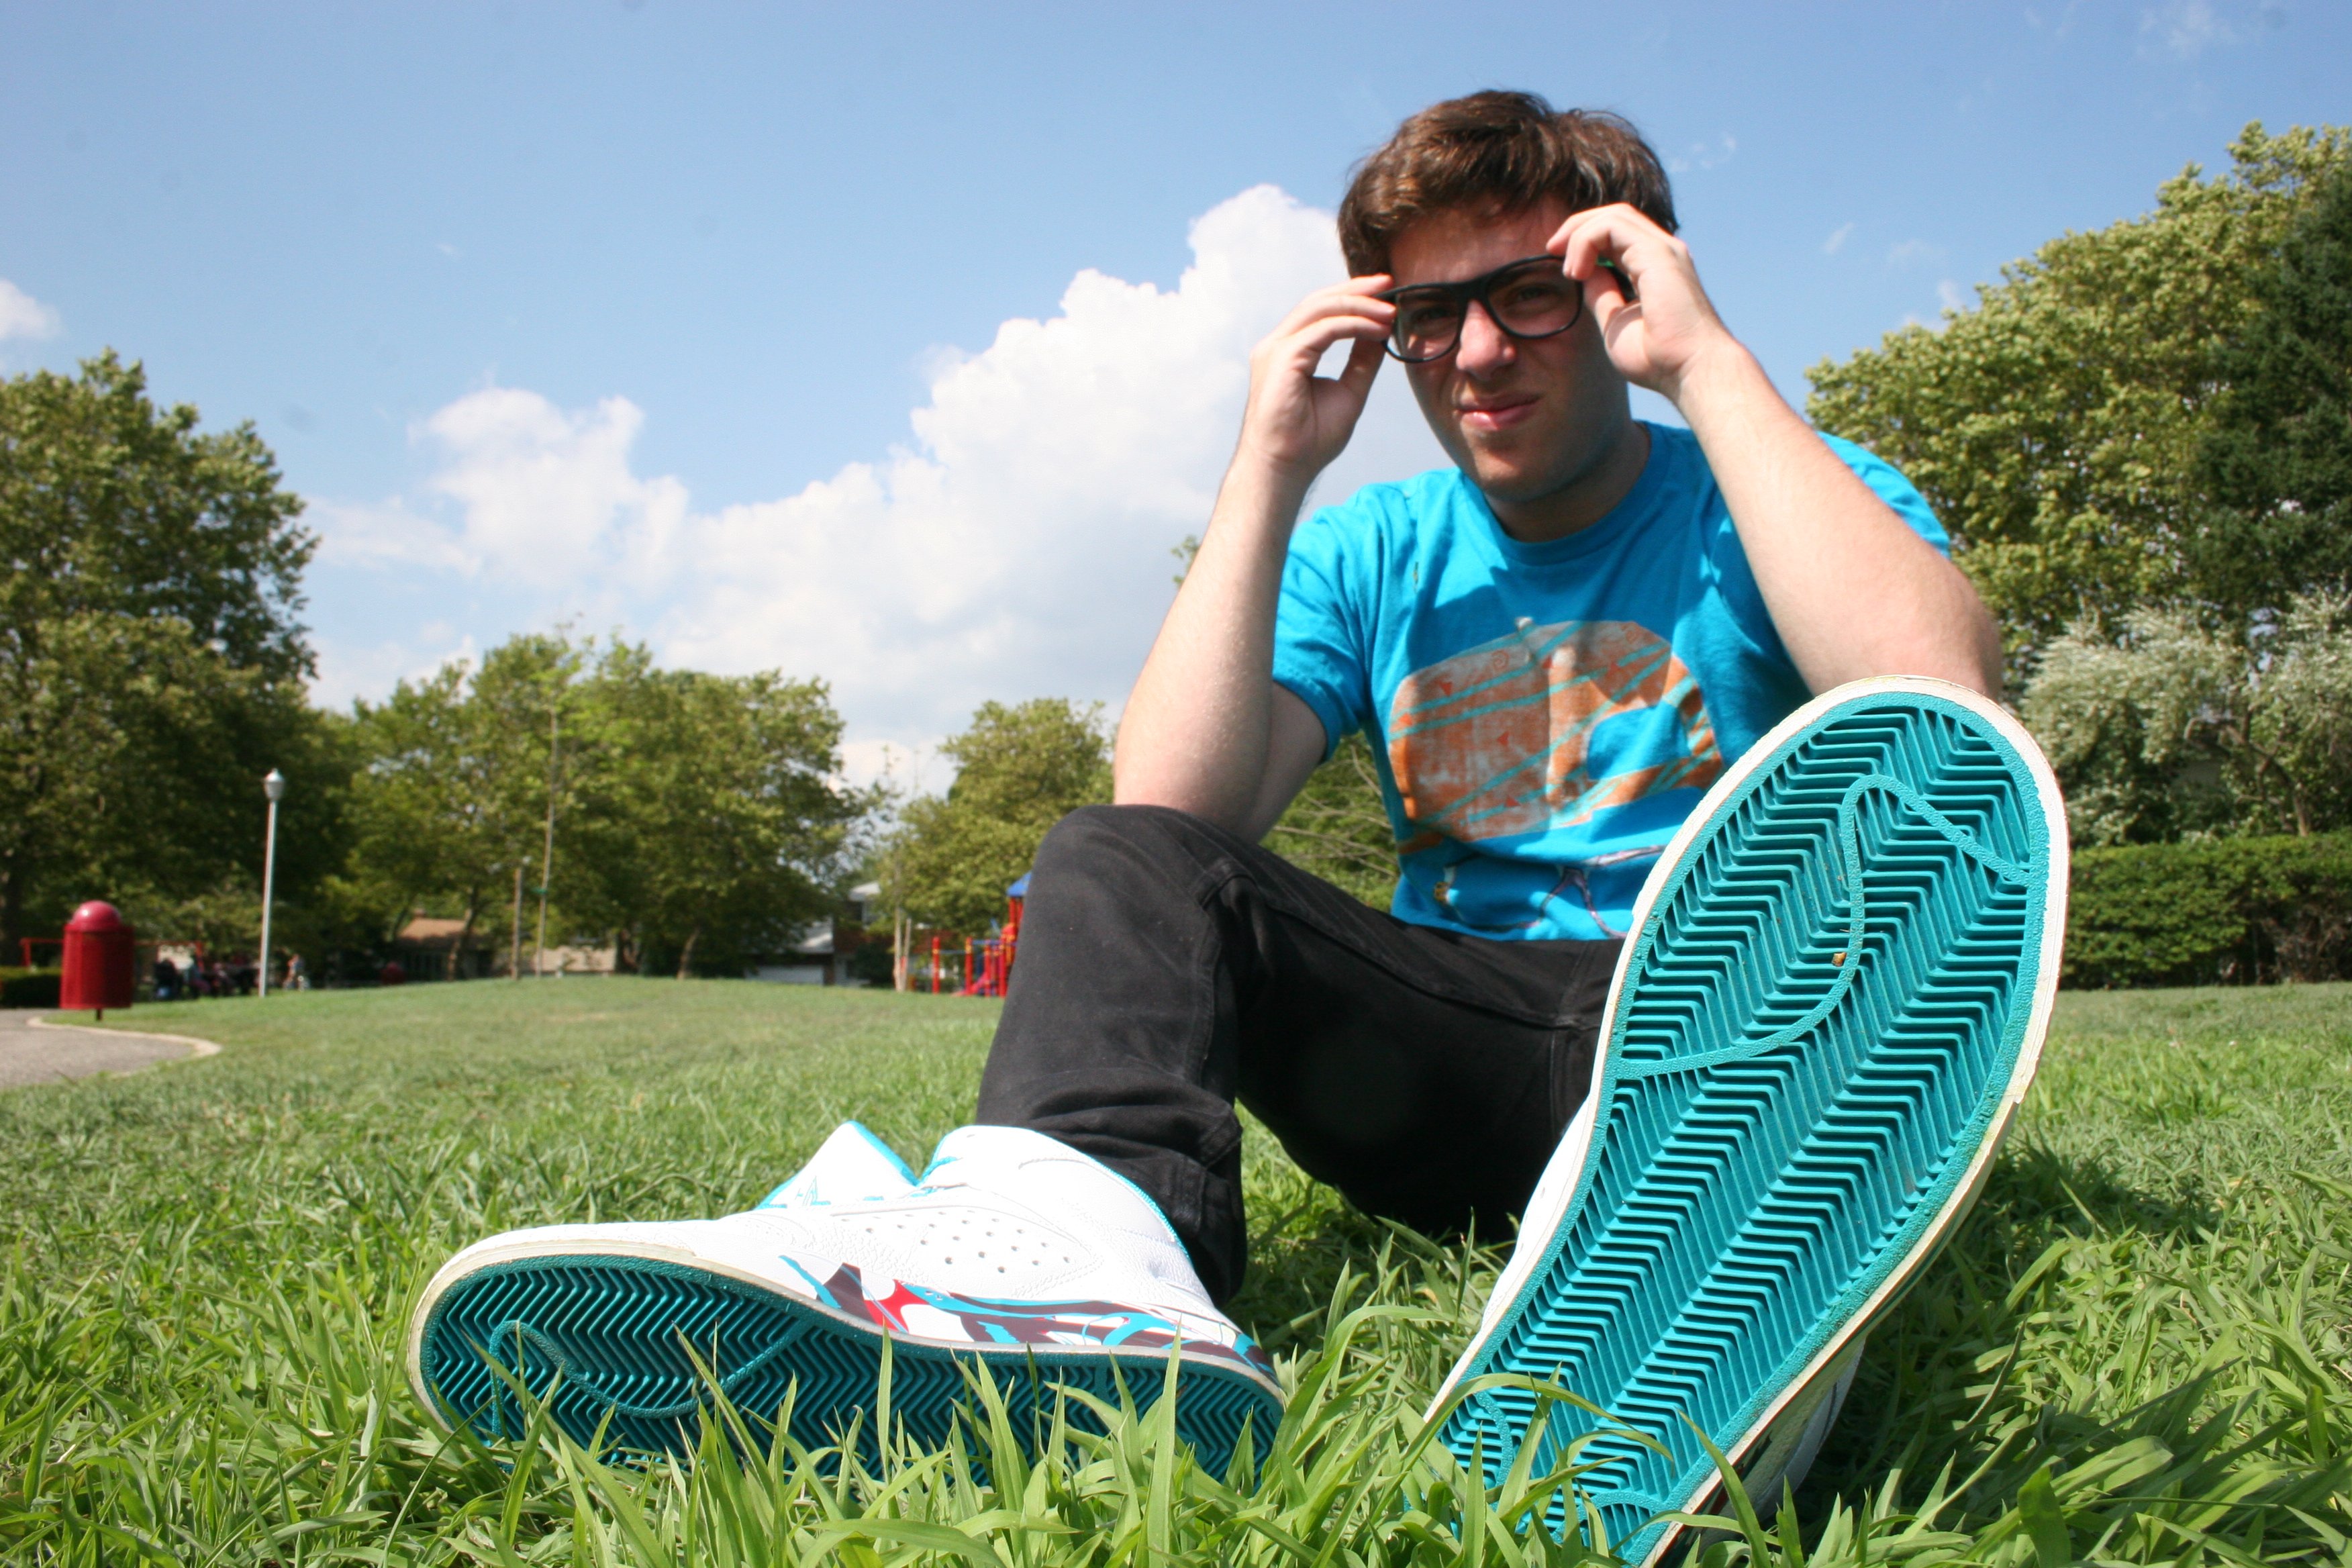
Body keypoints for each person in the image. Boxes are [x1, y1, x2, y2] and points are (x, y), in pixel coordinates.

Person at [408, 93, 2063, 1559]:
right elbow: (1175, 815)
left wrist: (1707, 364)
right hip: (1468, 1044)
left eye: (1528, 292)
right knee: (1110, 849)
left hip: (1728, 1015)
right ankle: (1089, 1272)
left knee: (1853, 884)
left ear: (1627, 280)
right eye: (1428, 317)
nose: (1475, 354)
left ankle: (1721, 1271)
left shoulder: (1769, 483)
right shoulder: (1378, 547)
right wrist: (1269, 471)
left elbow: (1942, 714)